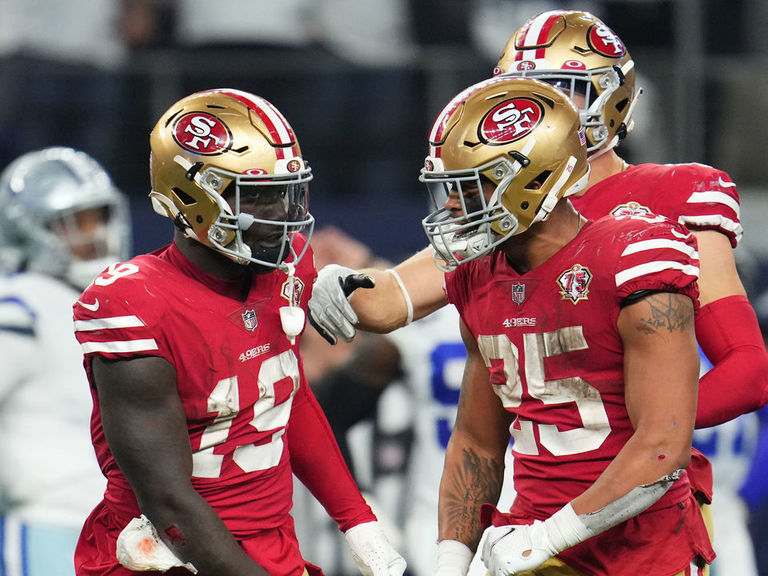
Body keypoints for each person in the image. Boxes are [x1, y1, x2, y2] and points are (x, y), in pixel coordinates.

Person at [71, 88, 406, 576]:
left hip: (271, 544)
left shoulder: (286, 267)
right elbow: (168, 502)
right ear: (193, 200)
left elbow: (287, 401)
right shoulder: (134, 304)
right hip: (162, 555)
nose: (283, 216)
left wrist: (357, 520)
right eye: (260, 197)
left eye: (287, 192)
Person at [424, 76, 711, 575]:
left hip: (641, 553)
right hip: (532, 539)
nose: (452, 203)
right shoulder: (474, 276)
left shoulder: (633, 258)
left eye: (471, 185)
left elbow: (663, 447)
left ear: (532, 179)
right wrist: (451, 559)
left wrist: (544, 540)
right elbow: (477, 440)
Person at [0, 147, 131, 576]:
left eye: (99, 217)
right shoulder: (19, 305)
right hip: (51, 525)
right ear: (31, 230)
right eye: (76, 222)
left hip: (127, 534)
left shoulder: (110, 305)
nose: (94, 234)